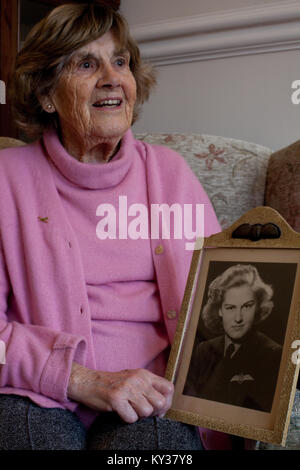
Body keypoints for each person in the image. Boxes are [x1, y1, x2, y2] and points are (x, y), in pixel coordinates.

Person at [0, 4, 220, 450]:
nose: (111, 77)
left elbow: (223, 299)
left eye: (120, 61)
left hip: (151, 402)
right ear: (46, 95)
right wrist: (78, 378)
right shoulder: (6, 180)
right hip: (35, 396)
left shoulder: (171, 174)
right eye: (86, 63)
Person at [183, 264, 282, 412]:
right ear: (219, 310)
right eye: (230, 307)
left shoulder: (272, 354)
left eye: (247, 306)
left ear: (258, 307)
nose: (238, 318)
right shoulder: (204, 350)